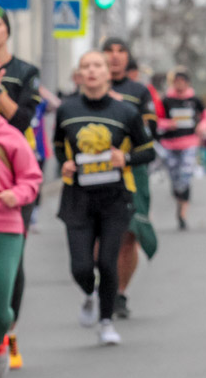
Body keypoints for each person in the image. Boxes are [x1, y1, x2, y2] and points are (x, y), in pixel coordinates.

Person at [53, 50, 155, 346]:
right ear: (80, 74)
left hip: (114, 199)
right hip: (78, 199)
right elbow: (59, 146)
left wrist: (124, 157)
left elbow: (148, 150)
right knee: (81, 267)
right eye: (86, 66)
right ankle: (89, 294)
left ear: (108, 73)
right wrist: (65, 163)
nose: (92, 71)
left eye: (97, 65)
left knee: (108, 264)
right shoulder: (67, 109)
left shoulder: (125, 112)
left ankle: (107, 322)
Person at [0, 2, 41, 371]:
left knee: (3, 291)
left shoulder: (24, 72)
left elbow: (22, 118)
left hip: (6, 212)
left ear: (6, 31)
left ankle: (3, 334)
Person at [101, 38, 159, 319]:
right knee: (99, 233)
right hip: (96, 171)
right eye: (109, 52)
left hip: (132, 170)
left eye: (120, 51)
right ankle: (105, 285)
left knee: (128, 235)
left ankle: (120, 292)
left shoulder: (138, 91)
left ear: (127, 58)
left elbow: (150, 132)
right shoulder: (90, 89)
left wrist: (124, 114)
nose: (114, 57)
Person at [160, 67, 203, 229]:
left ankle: (183, 212)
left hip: (189, 142)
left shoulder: (194, 100)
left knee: (185, 174)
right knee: (174, 177)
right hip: (170, 144)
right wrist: (166, 124)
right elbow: (157, 119)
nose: (180, 85)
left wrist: (203, 126)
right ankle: (179, 199)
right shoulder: (166, 100)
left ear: (188, 83)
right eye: (176, 82)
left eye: (182, 82)